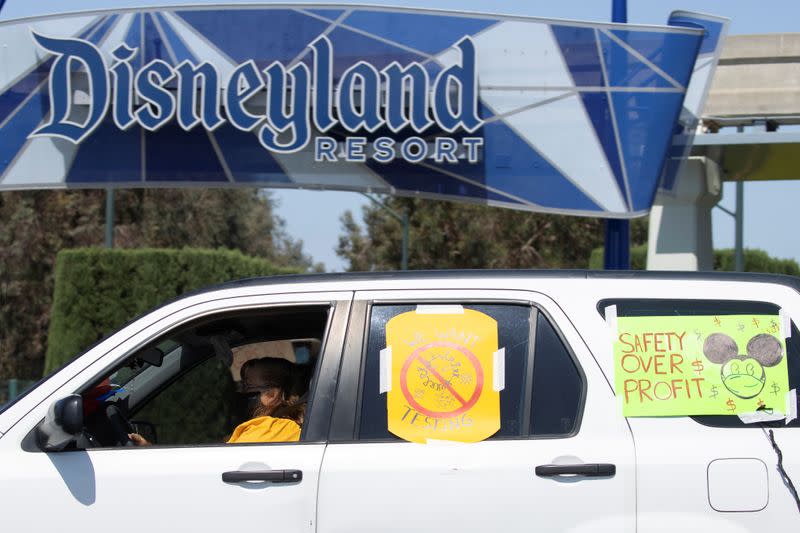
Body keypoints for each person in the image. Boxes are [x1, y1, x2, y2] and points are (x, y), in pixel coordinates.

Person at [128, 356, 304, 446]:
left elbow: (216, 465)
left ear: (273, 394)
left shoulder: (276, 428)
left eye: (248, 388)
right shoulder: (277, 427)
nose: (241, 393)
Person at [226, 357, 303, 443]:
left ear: (273, 394)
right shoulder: (290, 427)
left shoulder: (271, 430)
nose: (244, 392)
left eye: (250, 387)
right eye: (243, 386)